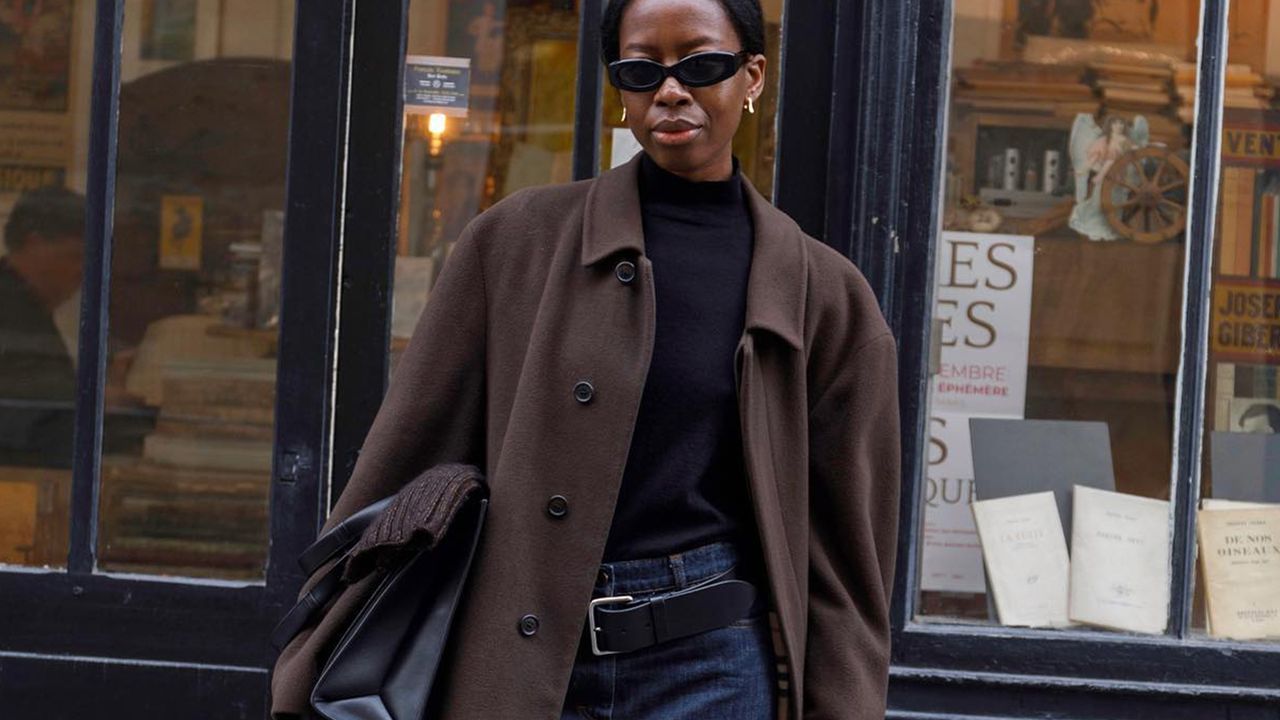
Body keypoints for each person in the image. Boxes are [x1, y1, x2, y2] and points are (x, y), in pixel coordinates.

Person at [271, 0, 900, 718]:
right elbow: (406, 452)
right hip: (521, 654)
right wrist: (319, 642)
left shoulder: (824, 295)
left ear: (752, 76)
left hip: (713, 667)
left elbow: (847, 555)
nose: (670, 91)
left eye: (702, 66)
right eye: (640, 71)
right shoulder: (513, 244)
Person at [0, 186, 85, 468]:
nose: (83, 270)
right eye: (75, 256)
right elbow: (22, 412)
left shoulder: (25, 303)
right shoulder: (11, 311)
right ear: (33, 245)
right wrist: (92, 397)